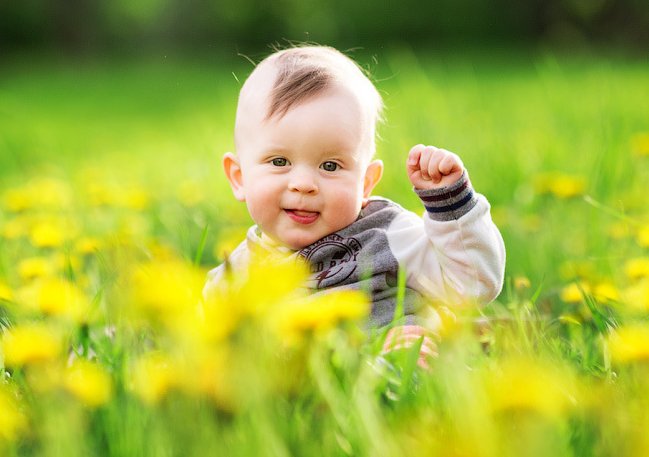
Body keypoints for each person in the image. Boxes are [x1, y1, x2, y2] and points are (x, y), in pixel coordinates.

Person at [206, 45, 505, 362]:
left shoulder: (386, 234)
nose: (304, 184)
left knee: (415, 349)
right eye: (279, 161)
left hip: (396, 363)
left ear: (365, 184)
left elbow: (473, 285)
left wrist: (450, 206)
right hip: (306, 380)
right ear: (239, 177)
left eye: (330, 166)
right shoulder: (233, 278)